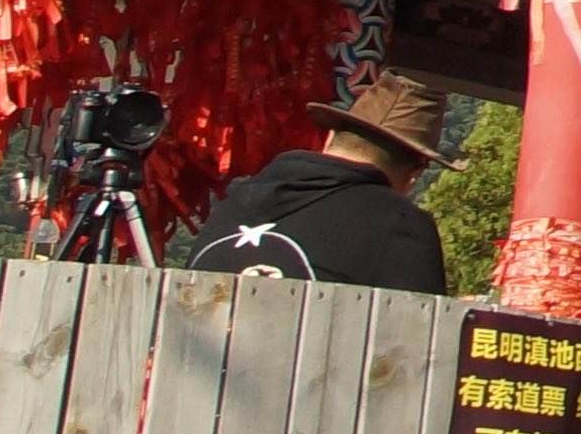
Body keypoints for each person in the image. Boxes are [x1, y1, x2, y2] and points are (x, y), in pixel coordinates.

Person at [175, 73, 458, 292]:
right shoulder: (401, 224)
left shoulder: (232, 204)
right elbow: (413, 343)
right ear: (414, 175)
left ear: (329, 138)